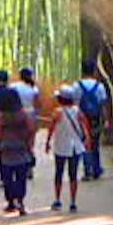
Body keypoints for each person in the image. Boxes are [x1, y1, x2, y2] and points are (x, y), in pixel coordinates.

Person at [0, 74, 38, 214]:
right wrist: (27, 142)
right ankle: (21, 201)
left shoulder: (1, 115)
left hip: (7, 147)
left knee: (8, 175)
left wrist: (5, 138)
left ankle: (10, 201)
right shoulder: (23, 114)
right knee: (21, 175)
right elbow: (30, 129)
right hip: (21, 147)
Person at [44, 82, 90, 212]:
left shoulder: (57, 112)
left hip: (61, 146)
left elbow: (51, 129)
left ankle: (58, 200)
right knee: (73, 175)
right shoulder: (78, 111)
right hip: (75, 146)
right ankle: (73, 202)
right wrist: (87, 140)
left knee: (59, 173)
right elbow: (85, 126)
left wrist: (47, 142)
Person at [73, 65, 111, 180]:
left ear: (82, 72)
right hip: (96, 118)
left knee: (85, 143)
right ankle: (96, 169)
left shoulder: (77, 86)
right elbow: (103, 104)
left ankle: (87, 170)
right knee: (95, 143)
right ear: (94, 71)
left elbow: (75, 103)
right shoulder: (99, 86)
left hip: (82, 118)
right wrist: (107, 119)